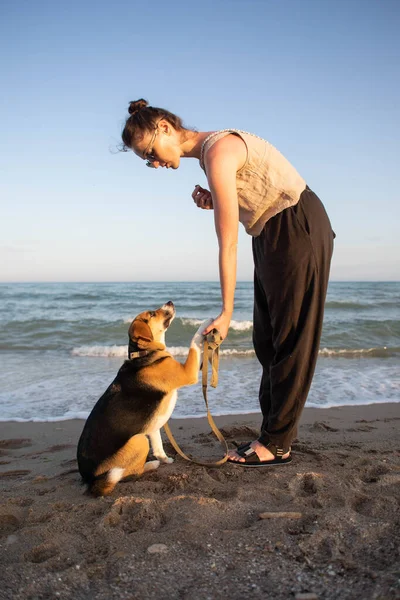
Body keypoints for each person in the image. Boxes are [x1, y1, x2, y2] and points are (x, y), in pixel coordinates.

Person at [120, 98, 335, 467]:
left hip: (296, 226)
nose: (154, 163)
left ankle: (277, 443)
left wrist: (226, 310)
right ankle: (274, 432)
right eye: (146, 160)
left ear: (167, 129)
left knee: (291, 339)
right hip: (270, 232)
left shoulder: (219, 151)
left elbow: (227, 244)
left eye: (151, 152)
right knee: (266, 340)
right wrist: (221, 200)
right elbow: (252, 201)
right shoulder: (210, 159)